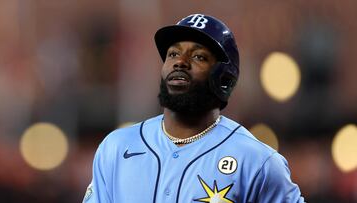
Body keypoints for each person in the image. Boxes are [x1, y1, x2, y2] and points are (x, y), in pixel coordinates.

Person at [83, 13, 305, 203]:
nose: (180, 62)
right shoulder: (116, 148)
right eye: (173, 54)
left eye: (198, 56)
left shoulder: (257, 162)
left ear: (224, 78)